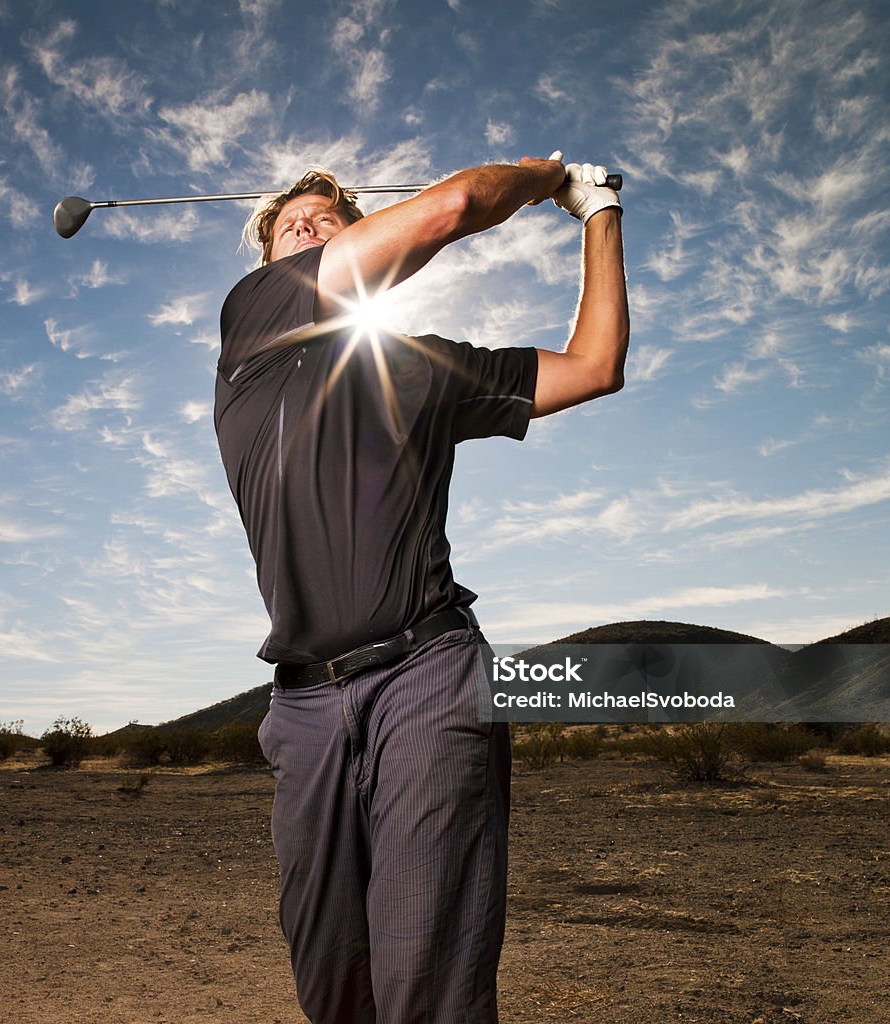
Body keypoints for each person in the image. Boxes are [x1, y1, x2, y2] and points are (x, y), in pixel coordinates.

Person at [214, 153, 628, 1024]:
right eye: (293, 223)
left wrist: (596, 212)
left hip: (427, 676)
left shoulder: (422, 368)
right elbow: (460, 205)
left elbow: (593, 366)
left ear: (359, 240)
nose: (309, 226)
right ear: (271, 267)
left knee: (427, 987)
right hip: (303, 709)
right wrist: (543, 176)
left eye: (329, 220)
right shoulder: (251, 327)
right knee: (334, 991)